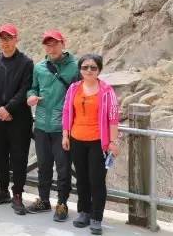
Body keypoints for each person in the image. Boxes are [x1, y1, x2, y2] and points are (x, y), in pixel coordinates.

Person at [62, 54, 119, 235]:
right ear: (80, 69)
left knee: (97, 180)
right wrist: (65, 135)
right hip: (76, 140)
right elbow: (66, 111)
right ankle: (84, 212)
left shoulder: (107, 91)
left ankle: (96, 217)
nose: (89, 70)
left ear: (99, 70)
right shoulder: (73, 88)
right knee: (82, 179)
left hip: (98, 142)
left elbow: (113, 118)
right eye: (85, 67)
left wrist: (113, 141)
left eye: (93, 67)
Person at [26, 30, 79, 221]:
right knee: (43, 166)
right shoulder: (39, 67)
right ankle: (44, 200)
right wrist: (31, 96)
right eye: (48, 44)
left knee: (63, 168)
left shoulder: (75, 67)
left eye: (55, 44)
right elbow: (32, 88)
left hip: (63, 128)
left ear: (63, 44)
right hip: (41, 124)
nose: (51, 48)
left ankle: (62, 204)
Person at [0, 23, 34, 215]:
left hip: (19, 117)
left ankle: (18, 194)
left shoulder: (26, 62)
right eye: (2, 38)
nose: (5, 42)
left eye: (9, 38)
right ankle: (2, 190)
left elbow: (25, 89)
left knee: (19, 157)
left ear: (16, 39)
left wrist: (8, 108)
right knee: (1, 155)